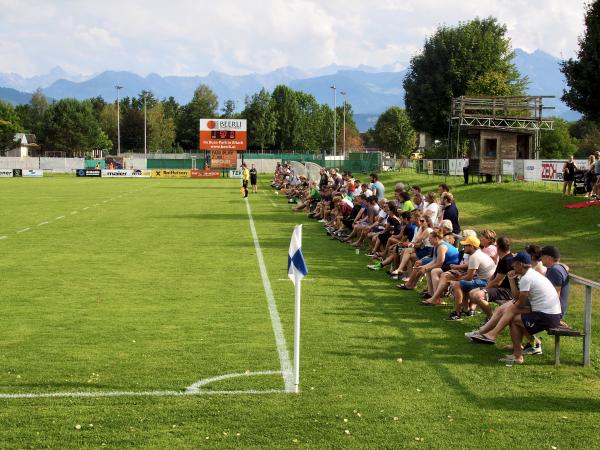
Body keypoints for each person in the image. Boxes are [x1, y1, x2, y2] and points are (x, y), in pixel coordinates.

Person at [471, 251, 562, 365]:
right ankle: (514, 351)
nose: (512, 266)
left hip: (546, 316)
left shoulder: (527, 278)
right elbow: (516, 297)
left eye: (514, 264)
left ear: (520, 264)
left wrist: (509, 309)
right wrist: (510, 279)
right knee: (513, 316)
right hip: (545, 312)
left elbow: (520, 303)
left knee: (512, 313)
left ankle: (495, 336)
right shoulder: (528, 275)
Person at [540, 246, 570, 327]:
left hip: (553, 313)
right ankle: (533, 339)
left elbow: (555, 296)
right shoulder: (557, 268)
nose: (540, 258)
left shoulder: (555, 270)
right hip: (551, 311)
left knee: (515, 317)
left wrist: (556, 318)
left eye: (542, 256)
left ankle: (533, 340)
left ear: (549, 258)